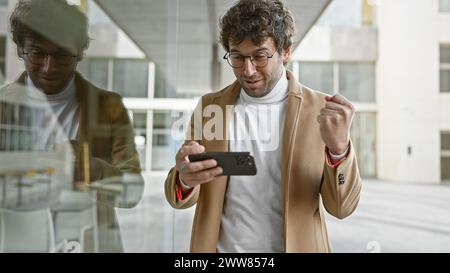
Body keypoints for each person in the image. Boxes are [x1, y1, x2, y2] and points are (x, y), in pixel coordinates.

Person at [165, 0, 362, 253]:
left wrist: (339, 150)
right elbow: (178, 197)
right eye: (237, 57)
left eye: (260, 56)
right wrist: (184, 178)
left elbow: (342, 208)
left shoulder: (322, 111)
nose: (248, 70)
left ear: (286, 51)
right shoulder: (209, 108)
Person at [0, 0, 143, 252]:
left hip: (90, 244)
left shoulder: (108, 107)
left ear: (79, 53)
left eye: (61, 55)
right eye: (36, 53)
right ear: (21, 50)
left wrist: (93, 169)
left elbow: (133, 192)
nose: (48, 67)